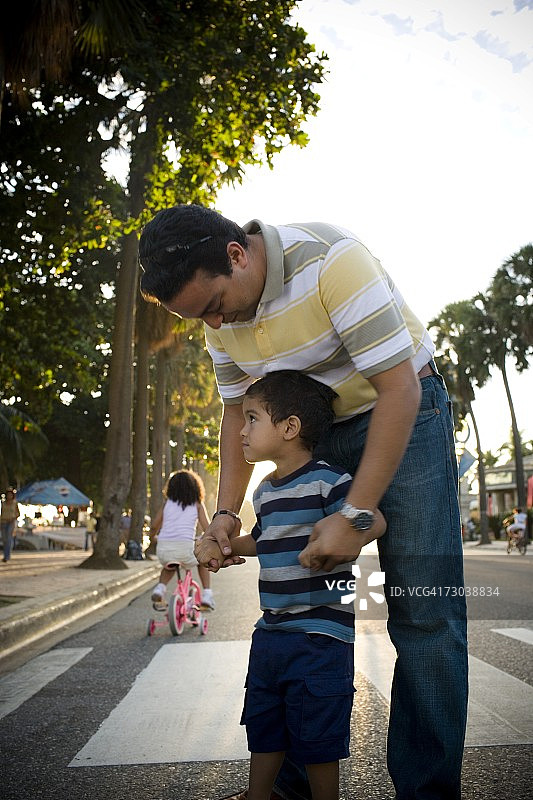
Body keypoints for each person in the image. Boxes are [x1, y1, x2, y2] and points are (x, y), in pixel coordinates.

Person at [139, 205, 468, 800]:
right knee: (298, 610)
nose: (214, 322)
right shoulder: (217, 315)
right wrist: (223, 514)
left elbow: (400, 389)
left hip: (401, 410)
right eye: (199, 318)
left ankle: (428, 791)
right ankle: (290, 790)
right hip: (314, 428)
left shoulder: (332, 263)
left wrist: (353, 514)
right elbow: (237, 411)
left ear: (236, 253)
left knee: (426, 612)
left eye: (214, 304)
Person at [208, 371, 386, 800]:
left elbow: (374, 519)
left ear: (289, 428)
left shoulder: (329, 480)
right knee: (265, 722)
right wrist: (230, 545)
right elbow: (264, 537)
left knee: (319, 735)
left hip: (321, 636)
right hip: (271, 631)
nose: (241, 430)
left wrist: (348, 530)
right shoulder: (264, 492)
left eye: (251, 418)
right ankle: (258, 796)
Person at [150, 469, 215, 610]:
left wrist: (153, 537)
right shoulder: (197, 504)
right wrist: (204, 540)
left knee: (169, 565)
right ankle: (207, 594)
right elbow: (207, 528)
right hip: (186, 549)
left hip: (164, 549)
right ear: (194, 487)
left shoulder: (167, 504)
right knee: (201, 560)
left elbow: (154, 525)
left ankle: (160, 589)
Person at [1, 488, 20, 562]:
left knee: (9, 539)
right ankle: (6, 555)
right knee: (4, 539)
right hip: (3, 522)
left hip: (11, 522)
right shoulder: (3, 503)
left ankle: (7, 556)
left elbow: (18, 513)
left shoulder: (15, 503)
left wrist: (13, 518)